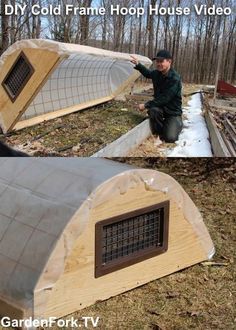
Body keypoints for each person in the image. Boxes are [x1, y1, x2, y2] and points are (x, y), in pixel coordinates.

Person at [130, 50, 183, 143]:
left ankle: (176, 123)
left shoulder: (174, 78)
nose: (158, 64)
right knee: (153, 111)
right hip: (160, 109)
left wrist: (145, 105)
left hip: (172, 112)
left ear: (169, 61)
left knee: (170, 138)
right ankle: (159, 132)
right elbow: (148, 73)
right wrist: (138, 64)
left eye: (161, 61)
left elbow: (165, 98)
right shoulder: (157, 74)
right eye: (157, 61)